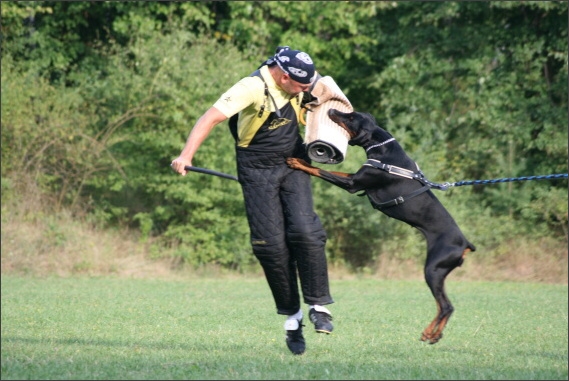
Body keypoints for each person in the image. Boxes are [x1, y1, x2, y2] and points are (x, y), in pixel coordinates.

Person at [171, 46, 334, 355]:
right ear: (284, 77)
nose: (306, 89)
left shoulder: (303, 82)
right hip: (256, 167)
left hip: (293, 161)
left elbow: (329, 104)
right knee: (270, 245)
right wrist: (186, 155)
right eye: (301, 85)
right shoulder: (251, 87)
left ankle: (318, 305)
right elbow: (210, 118)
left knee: (305, 231)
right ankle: (292, 318)